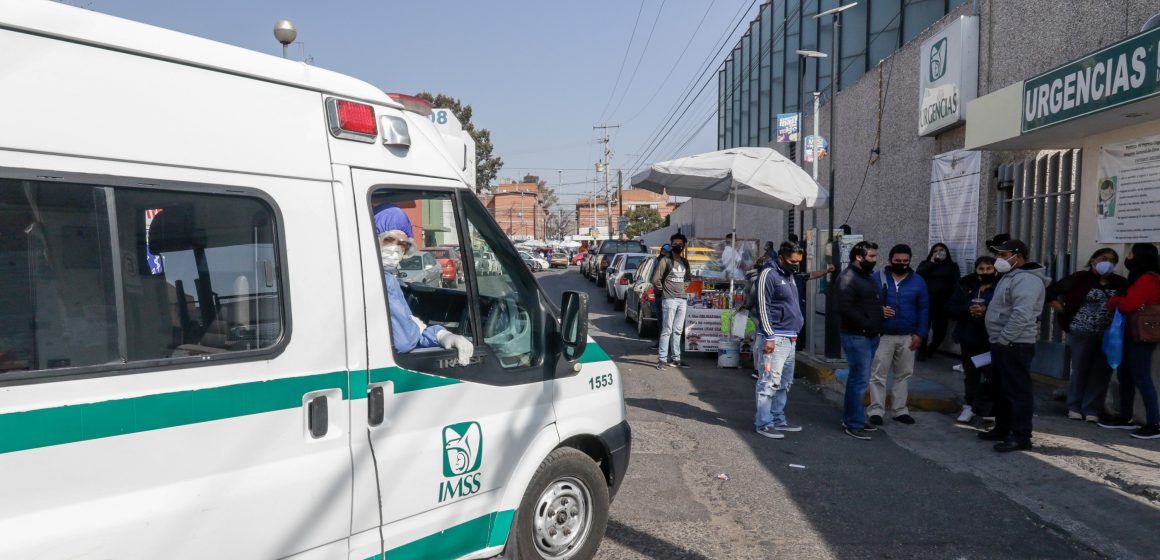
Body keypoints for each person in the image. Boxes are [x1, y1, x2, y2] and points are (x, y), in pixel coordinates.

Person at [374, 205, 474, 365]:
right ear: (373, 238)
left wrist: (441, 335)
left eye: (402, 244)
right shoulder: (376, 280)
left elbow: (406, 324)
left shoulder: (388, 278)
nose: (395, 249)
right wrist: (438, 334)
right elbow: (403, 340)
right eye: (388, 240)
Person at [981, 239, 1048, 452]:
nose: (998, 259)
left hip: (1014, 344)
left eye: (1003, 255)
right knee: (1002, 389)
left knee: (1017, 391)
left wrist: (1004, 339)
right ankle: (1003, 428)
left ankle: (1020, 436)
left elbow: (1022, 314)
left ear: (1017, 256)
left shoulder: (1027, 280)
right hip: (1003, 343)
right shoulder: (1010, 276)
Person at [1046, 248, 1126, 422]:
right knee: (1080, 369)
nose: (1108, 263)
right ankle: (1074, 405)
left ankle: (1092, 409)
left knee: (1101, 372)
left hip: (1108, 335)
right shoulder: (1079, 278)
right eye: (1104, 258)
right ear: (1093, 260)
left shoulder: (1119, 282)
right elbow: (1050, 291)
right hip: (1081, 331)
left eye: (1113, 260)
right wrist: (1060, 308)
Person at [1101, 243, 1160, 439]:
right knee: (1125, 374)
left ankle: (1154, 423)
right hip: (1130, 334)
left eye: (1132, 254)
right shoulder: (1139, 278)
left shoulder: (1148, 279)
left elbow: (1128, 304)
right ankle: (1125, 416)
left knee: (1142, 377)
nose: (1129, 257)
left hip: (1142, 335)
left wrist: (1114, 301)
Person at [867, 244, 929, 426]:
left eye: (905, 261)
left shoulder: (918, 281)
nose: (901, 264)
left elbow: (924, 308)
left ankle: (900, 410)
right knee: (878, 374)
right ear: (890, 260)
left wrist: (920, 333)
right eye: (897, 261)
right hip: (883, 335)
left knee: (904, 374)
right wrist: (879, 310)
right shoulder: (876, 278)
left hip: (907, 336)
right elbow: (865, 302)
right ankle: (876, 410)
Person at [753, 244, 806, 439]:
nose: (796, 266)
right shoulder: (769, 274)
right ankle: (764, 423)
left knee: (784, 383)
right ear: (781, 258)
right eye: (793, 262)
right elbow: (763, 306)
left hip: (790, 338)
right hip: (775, 338)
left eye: (799, 262)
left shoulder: (788, 275)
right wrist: (769, 335)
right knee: (769, 382)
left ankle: (777, 418)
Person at [837, 241, 884, 440]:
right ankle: (854, 423)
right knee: (859, 380)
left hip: (869, 335)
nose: (874, 260)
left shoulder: (866, 277)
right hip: (857, 336)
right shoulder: (848, 278)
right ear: (859, 256)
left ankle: (854, 417)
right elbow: (845, 308)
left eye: (875, 256)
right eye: (871, 256)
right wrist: (866, 325)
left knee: (859, 380)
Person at [948, 256, 999, 424]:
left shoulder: (1000, 287)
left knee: (992, 375)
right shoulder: (965, 286)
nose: (985, 272)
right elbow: (951, 308)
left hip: (991, 339)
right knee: (971, 375)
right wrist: (968, 310)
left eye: (988, 269)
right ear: (976, 271)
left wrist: (986, 311)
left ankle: (990, 408)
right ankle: (969, 406)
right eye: (981, 269)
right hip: (969, 338)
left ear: (995, 270)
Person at [652, 234, 691, 369]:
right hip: (669, 299)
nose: (678, 246)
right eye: (675, 243)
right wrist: (664, 291)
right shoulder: (665, 261)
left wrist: (682, 289)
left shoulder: (685, 262)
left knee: (678, 330)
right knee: (667, 329)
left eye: (680, 244)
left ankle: (676, 358)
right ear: (671, 244)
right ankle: (662, 359)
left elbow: (687, 279)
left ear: (684, 246)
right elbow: (656, 279)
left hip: (682, 299)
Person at [916, 243, 961, 360]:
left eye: (941, 250)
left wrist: (953, 300)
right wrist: (931, 262)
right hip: (926, 301)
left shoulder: (952, 266)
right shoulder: (926, 264)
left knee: (940, 330)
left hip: (943, 302)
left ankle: (931, 349)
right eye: (935, 250)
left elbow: (956, 284)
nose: (939, 252)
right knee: (923, 327)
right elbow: (918, 274)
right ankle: (921, 351)